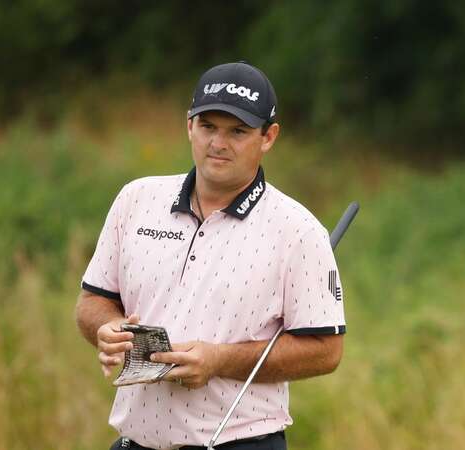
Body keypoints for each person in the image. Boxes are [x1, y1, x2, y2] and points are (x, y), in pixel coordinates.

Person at [75, 61, 346, 450]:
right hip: (134, 442)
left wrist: (219, 361)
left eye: (237, 131)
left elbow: (326, 351)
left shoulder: (298, 231)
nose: (218, 143)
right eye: (208, 127)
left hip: (238, 442)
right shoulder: (136, 200)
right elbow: (93, 302)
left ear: (268, 137)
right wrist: (107, 328)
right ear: (189, 126)